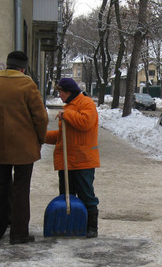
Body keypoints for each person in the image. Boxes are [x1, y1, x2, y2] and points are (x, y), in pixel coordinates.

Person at [0, 51, 49, 245]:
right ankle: (19, 233)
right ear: (23, 67)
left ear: (7, 64)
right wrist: (40, 138)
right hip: (23, 147)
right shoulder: (27, 84)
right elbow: (40, 117)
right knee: (21, 189)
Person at [45, 78, 100, 238]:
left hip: (83, 160)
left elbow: (85, 122)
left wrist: (67, 114)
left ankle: (91, 227)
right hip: (67, 161)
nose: (60, 95)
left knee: (86, 195)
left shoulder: (86, 103)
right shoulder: (69, 108)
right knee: (67, 196)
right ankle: (71, 224)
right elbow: (63, 136)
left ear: (70, 92)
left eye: (62, 92)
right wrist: (42, 136)